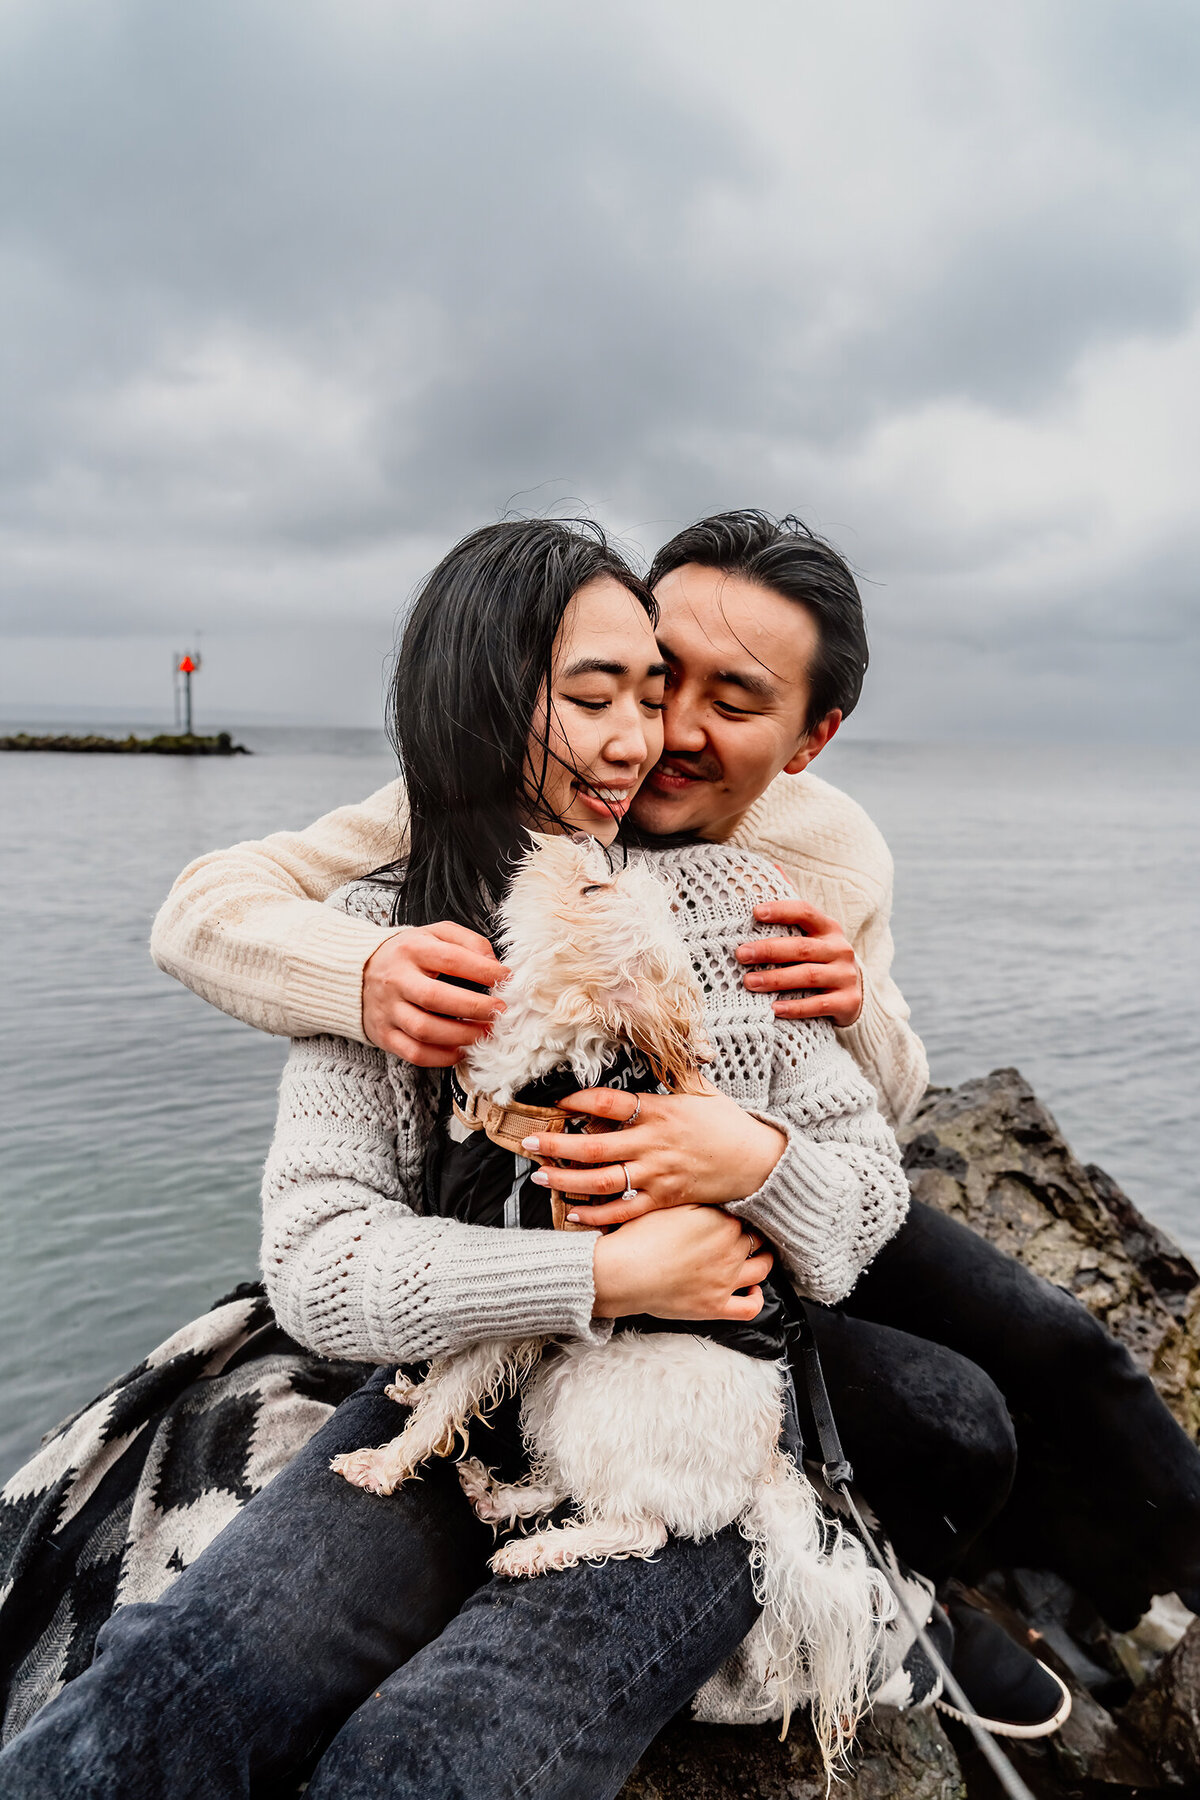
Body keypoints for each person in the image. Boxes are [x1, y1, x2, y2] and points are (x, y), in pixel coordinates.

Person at [148, 512, 1200, 1667]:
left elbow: (887, 1106)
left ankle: (1148, 1589)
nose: (664, 733)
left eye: (733, 702)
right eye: (655, 677)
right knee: (940, 1415)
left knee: (1060, 1343)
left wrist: (846, 1015)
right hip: (593, 1210)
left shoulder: (824, 848)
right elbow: (200, 912)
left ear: (811, 737)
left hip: (761, 1168)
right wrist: (358, 975)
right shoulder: (507, 786)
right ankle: (918, 1598)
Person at [0, 519, 935, 1799]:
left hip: (682, 1446)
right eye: (594, 695)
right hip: (445, 1407)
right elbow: (319, 1270)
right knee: (161, 1700)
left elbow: (861, 1199)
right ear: (483, 699)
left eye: (649, 697)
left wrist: (753, 1156)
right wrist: (601, 1274)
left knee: (425, 1762)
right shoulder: (393, 933)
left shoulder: (732, 901)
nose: (638, 741)